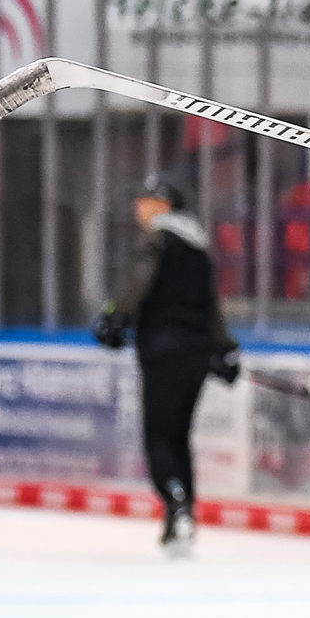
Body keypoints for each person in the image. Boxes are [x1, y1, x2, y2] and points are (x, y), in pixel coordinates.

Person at [96, 174, 239, 557]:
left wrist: (114, 317)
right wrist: (224, 350)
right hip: (195, 353)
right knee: (179, 436)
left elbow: (134, 284)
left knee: (158, 435)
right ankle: (184, 513)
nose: (138, 208)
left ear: (164, 205)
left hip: (162, 350)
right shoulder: (199, 246)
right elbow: (212, 307)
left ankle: (174, 503)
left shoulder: (156, 239)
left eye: (145, 201)